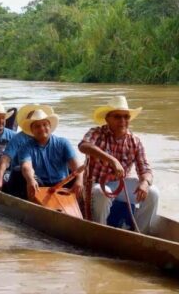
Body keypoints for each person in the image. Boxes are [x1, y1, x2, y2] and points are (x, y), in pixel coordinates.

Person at [78, 95, 159, 234]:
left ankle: (140, 234)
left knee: (153, 193)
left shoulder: (135, 141)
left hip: (120, 185)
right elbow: (83, 146)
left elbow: (145, 169)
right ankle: (99, 232)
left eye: (125, 117)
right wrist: (112, 160)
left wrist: (145, 182)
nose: (122, 121)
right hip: (95, 185)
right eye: (117, 117)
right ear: (107, 119)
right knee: (102, 192)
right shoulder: (97, 133)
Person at [17, 108, 83, 200]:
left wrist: (79, 180)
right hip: (41, 186)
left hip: (62, 184)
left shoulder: (63, 143)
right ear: (32, 130)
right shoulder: (25, 147)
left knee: (83, 181)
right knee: (19, 173)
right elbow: (26, 167)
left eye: (45, 124)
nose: (42, 128)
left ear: (50, 126)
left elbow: (76, 165)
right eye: (37, 126)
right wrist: (30, 180)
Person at [0, 104, 54, 198]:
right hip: (22, 178)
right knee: (19, 170)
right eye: (35, 124)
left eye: (43, 124)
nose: (41, 128)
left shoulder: (48, 138)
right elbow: (4, 161)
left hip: (42, 177)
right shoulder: (18, 139)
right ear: (29, 125)